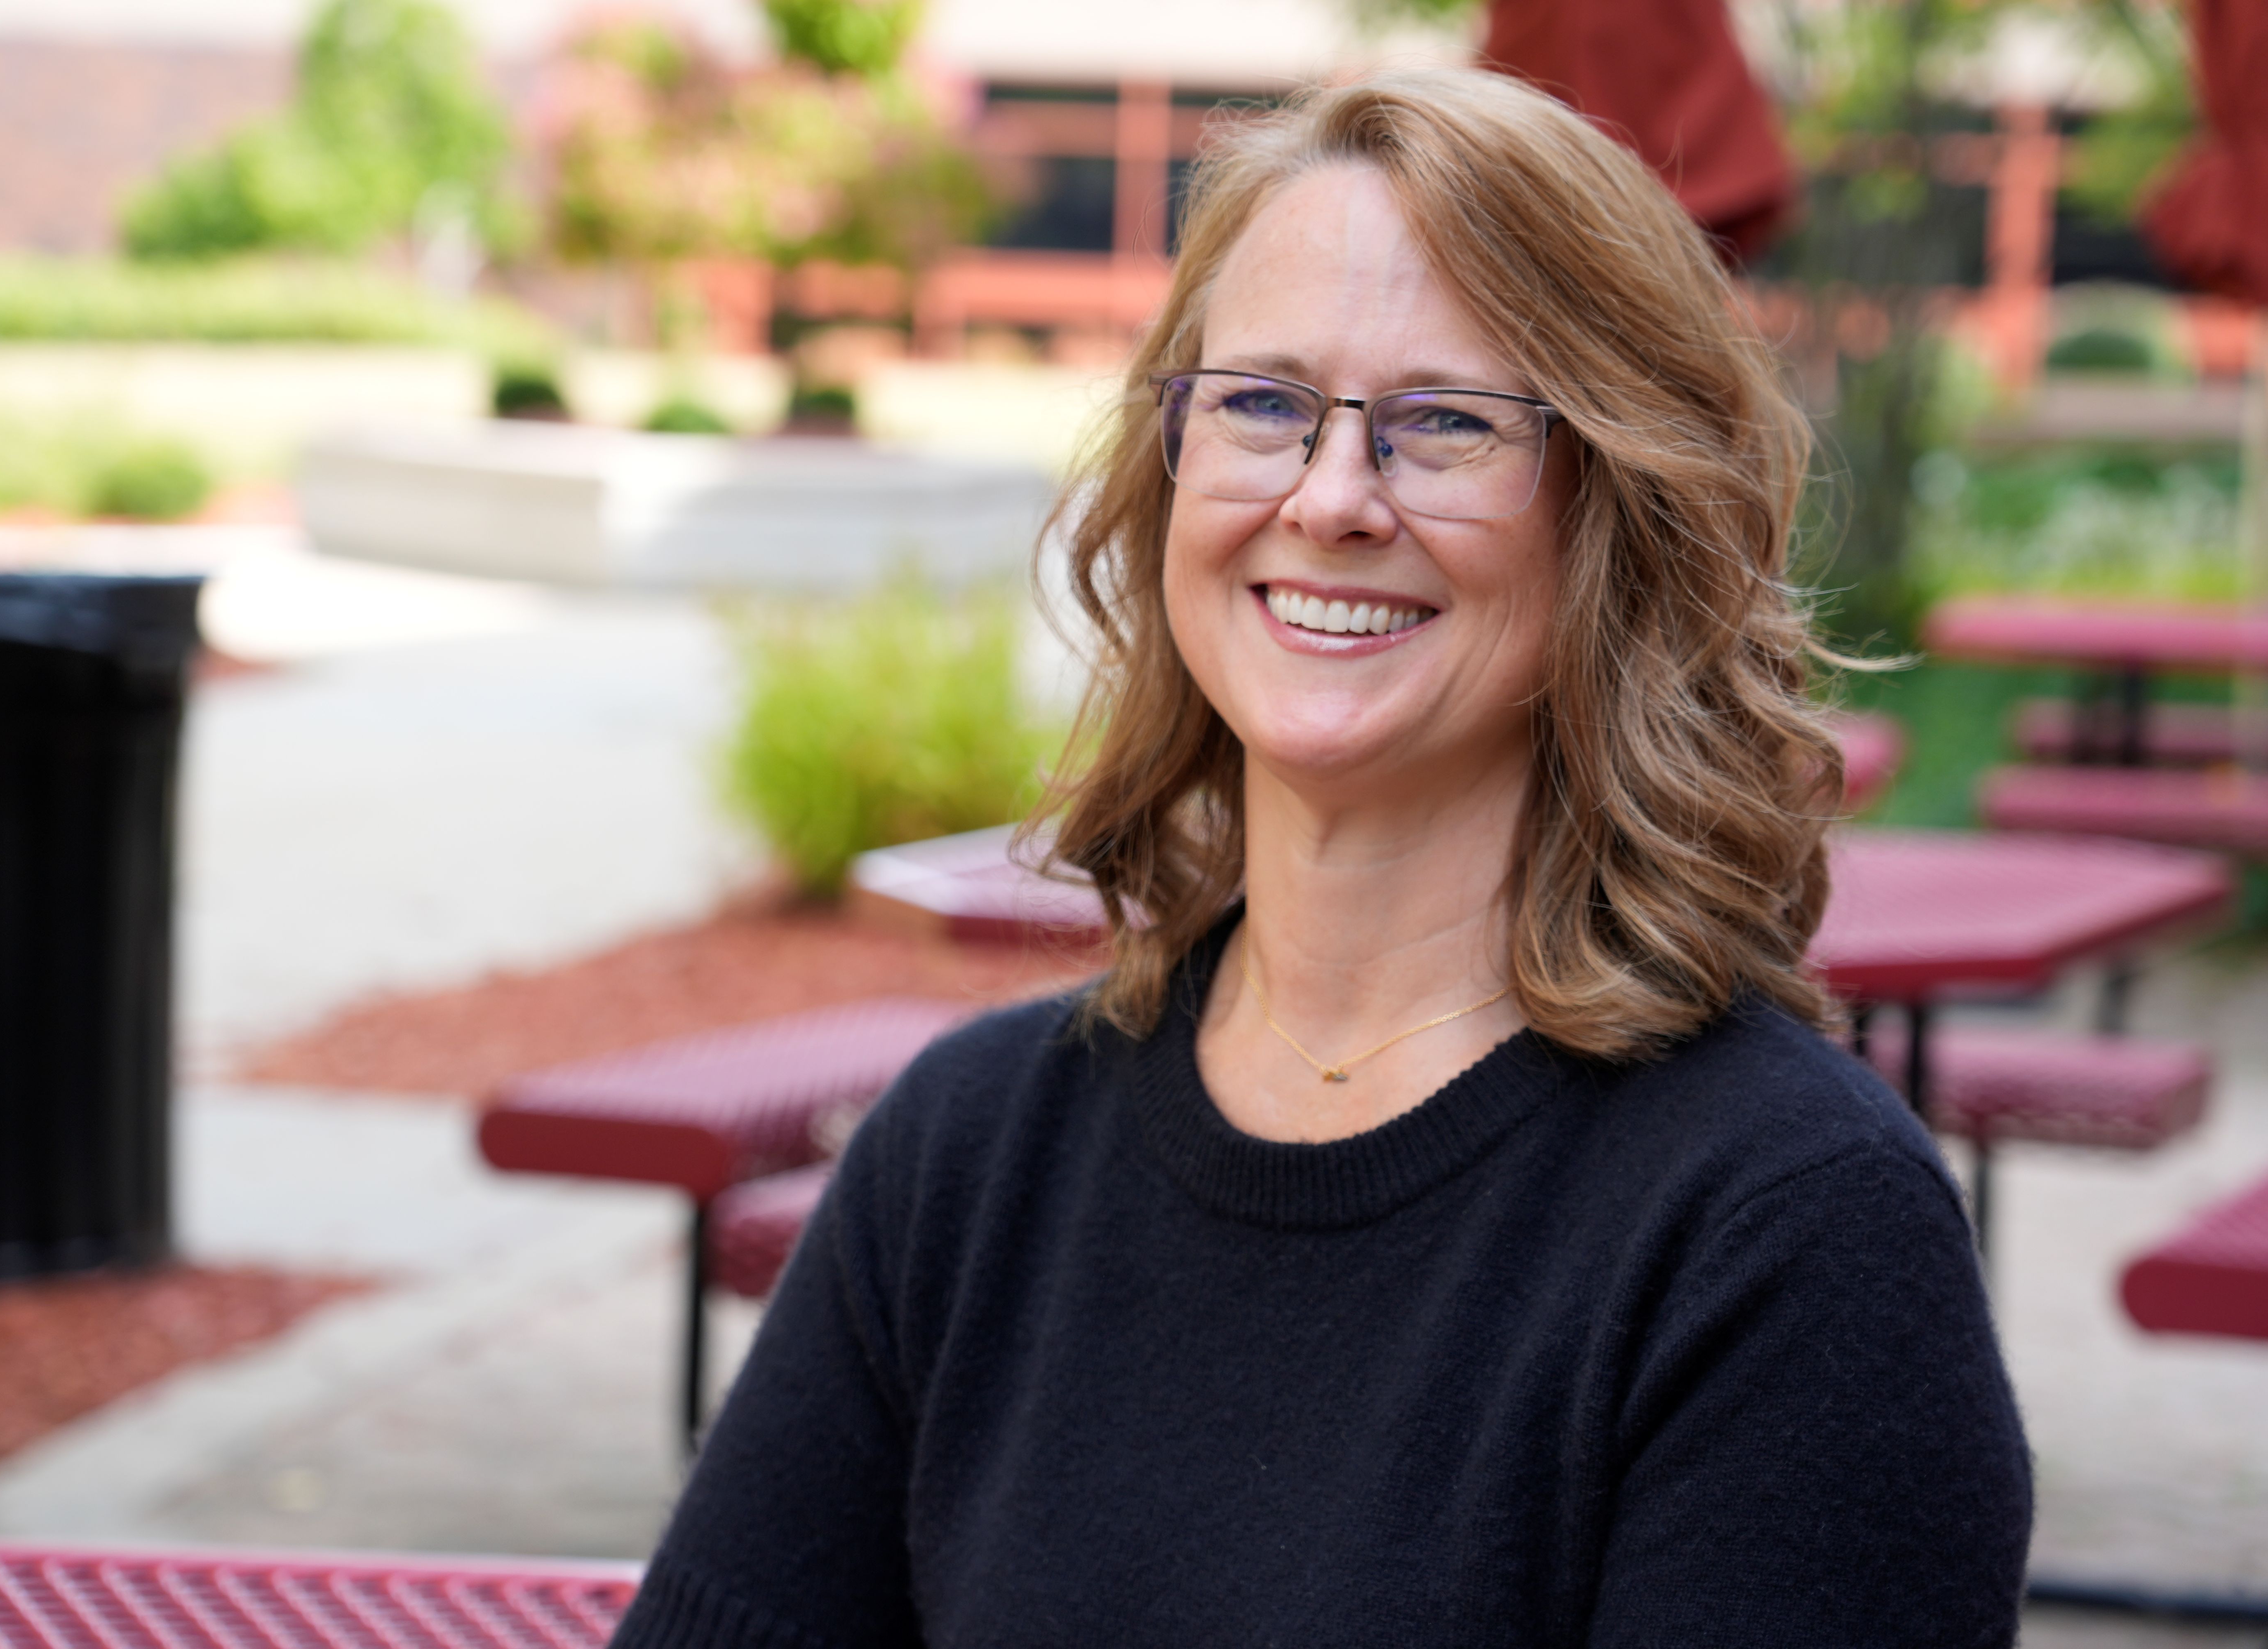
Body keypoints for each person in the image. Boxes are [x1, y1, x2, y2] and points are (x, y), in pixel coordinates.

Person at [613, 67, 2031, 1648]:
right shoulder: (967, 1157)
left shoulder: (1791, 1235)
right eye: (1265, 404)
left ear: (1622, 518)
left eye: (1446, 423)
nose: (1332, 496)